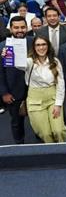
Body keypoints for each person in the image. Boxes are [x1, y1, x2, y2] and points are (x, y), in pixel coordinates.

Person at [25, 36, 66, 143]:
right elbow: (17, 64)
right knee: (45, 133)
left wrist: (58, 104)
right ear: (34, 47)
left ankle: (64, 153)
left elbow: (61, 84)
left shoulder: (55, 62)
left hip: (53, 98)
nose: (41, 47)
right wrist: (7, 55)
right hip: (35, 99)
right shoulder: (29, 62)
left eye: (44, 44)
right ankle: (51, 155)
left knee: (58, 131)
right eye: (38, 45)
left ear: (48, 46)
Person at [0, 16, 32, 144]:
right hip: (13, 92)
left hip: (34, 89)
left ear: (27, 28)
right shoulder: (2, 46)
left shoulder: (34, 41)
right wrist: (4, 93)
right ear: (10, 29)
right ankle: (19, 145)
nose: (20, 30)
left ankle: (41, 141)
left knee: (38, 119)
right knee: (16, 122)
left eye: (23, 27)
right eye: (16, 27)